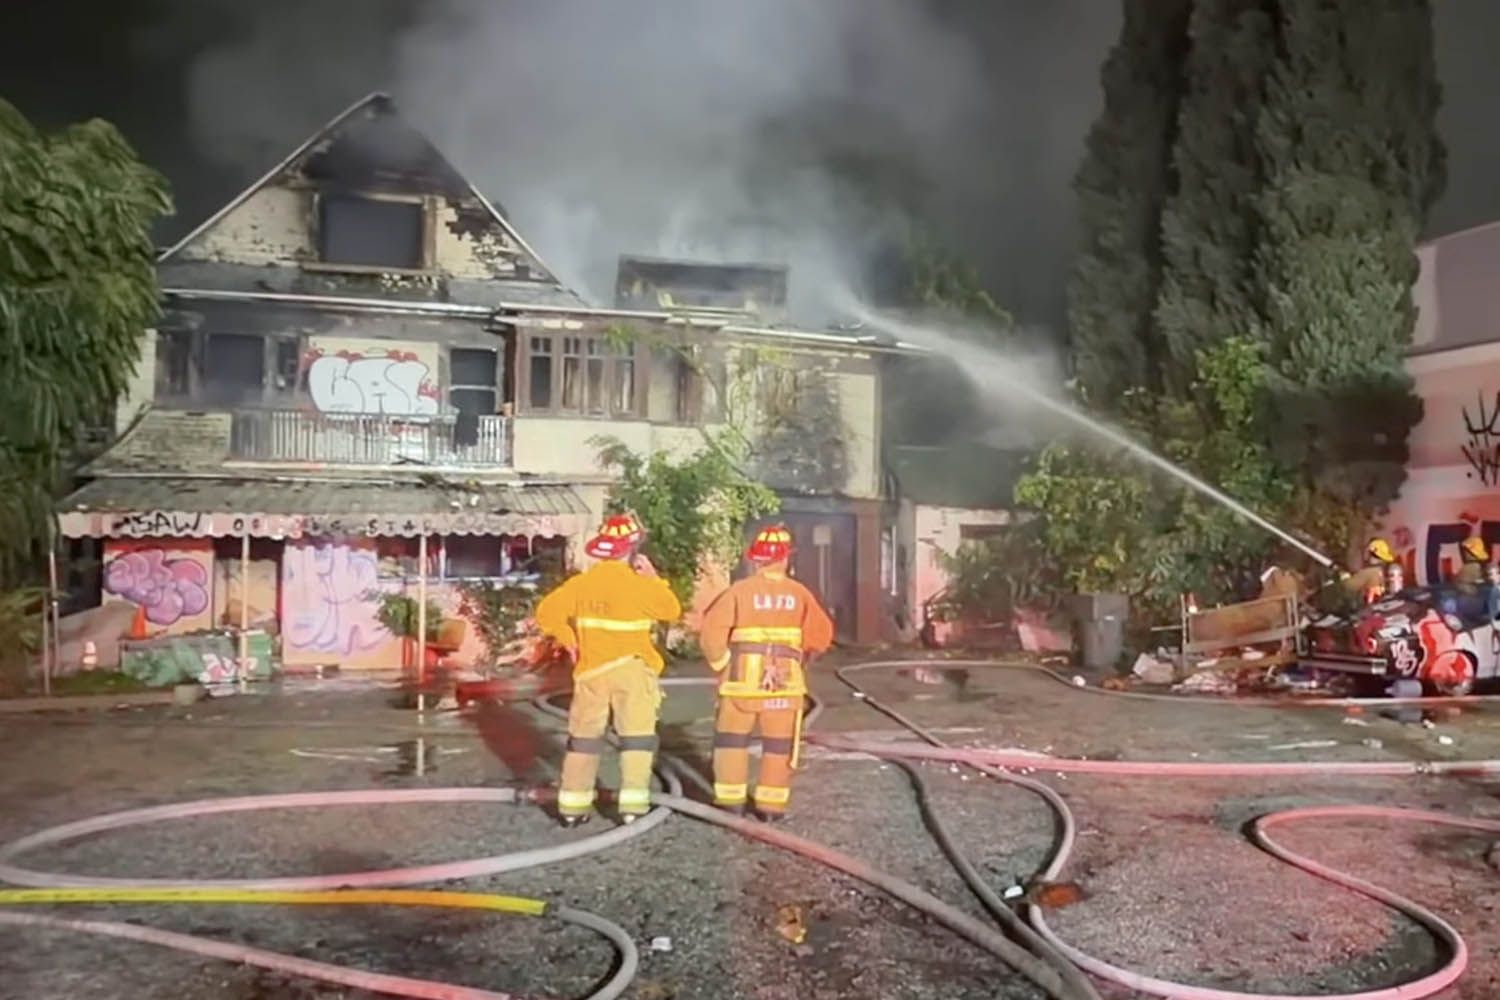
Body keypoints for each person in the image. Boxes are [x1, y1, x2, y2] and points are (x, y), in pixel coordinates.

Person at [535, 513, 681, 828]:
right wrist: (653, 578)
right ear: (631, 549)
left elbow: (546, 612)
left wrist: (570, 641)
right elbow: (671, 610)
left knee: (583, 741)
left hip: (590, 673)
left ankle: (573, 809)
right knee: (636, 741)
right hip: (633, 671)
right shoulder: (639, 585)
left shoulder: (581, 585)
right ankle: (632, 809)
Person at [699, 525, 835, 822]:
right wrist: (800, 659)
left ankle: (730, 802)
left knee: (731, 742)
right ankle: (770, 807)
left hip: (740, 686)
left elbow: (711, 634)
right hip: (784, 687)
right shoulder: (800, 594)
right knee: (778, 746)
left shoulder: (739, 591)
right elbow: (822, 635)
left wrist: (723, 665)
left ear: (757, 559)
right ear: (787, 558)